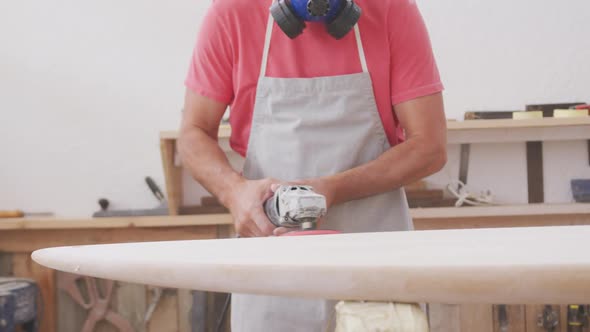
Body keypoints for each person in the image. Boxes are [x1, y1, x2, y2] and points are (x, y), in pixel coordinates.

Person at [178, 0, 447, 330]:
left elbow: (429, 147)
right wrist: (234, 193)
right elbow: (193, 133)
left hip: (374, 255)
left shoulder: (392, 9)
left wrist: (332, 189)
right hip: (273, 266)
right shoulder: (233, 12)